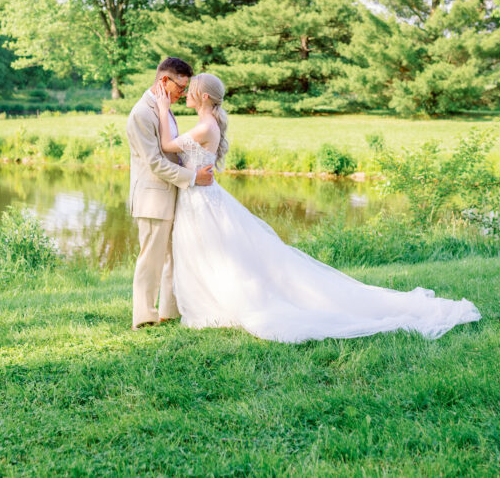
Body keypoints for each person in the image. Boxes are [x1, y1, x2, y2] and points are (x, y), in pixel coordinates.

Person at [154, 72, 481, 344]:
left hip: (203, 199)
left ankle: (222, 305)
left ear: (206, 98)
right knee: (209, 252)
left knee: (218, 252)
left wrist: (160, 106)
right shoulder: (206, 123)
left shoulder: (206, 126)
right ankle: (209, 303)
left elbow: (168, 145)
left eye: (192, 91)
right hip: (200, 197)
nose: (187, 95)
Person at [125, 57, 215, 330]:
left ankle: (169, 312)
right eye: (180, 86)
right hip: (153, 198)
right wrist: (193, 177)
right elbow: (154, 162)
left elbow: (172, 150)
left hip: (172, 195)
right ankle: (143, 317)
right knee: (150, 260)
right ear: (164, 81)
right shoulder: (142, 113)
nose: (183, 93)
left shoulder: (162, 108)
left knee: (172, 257)